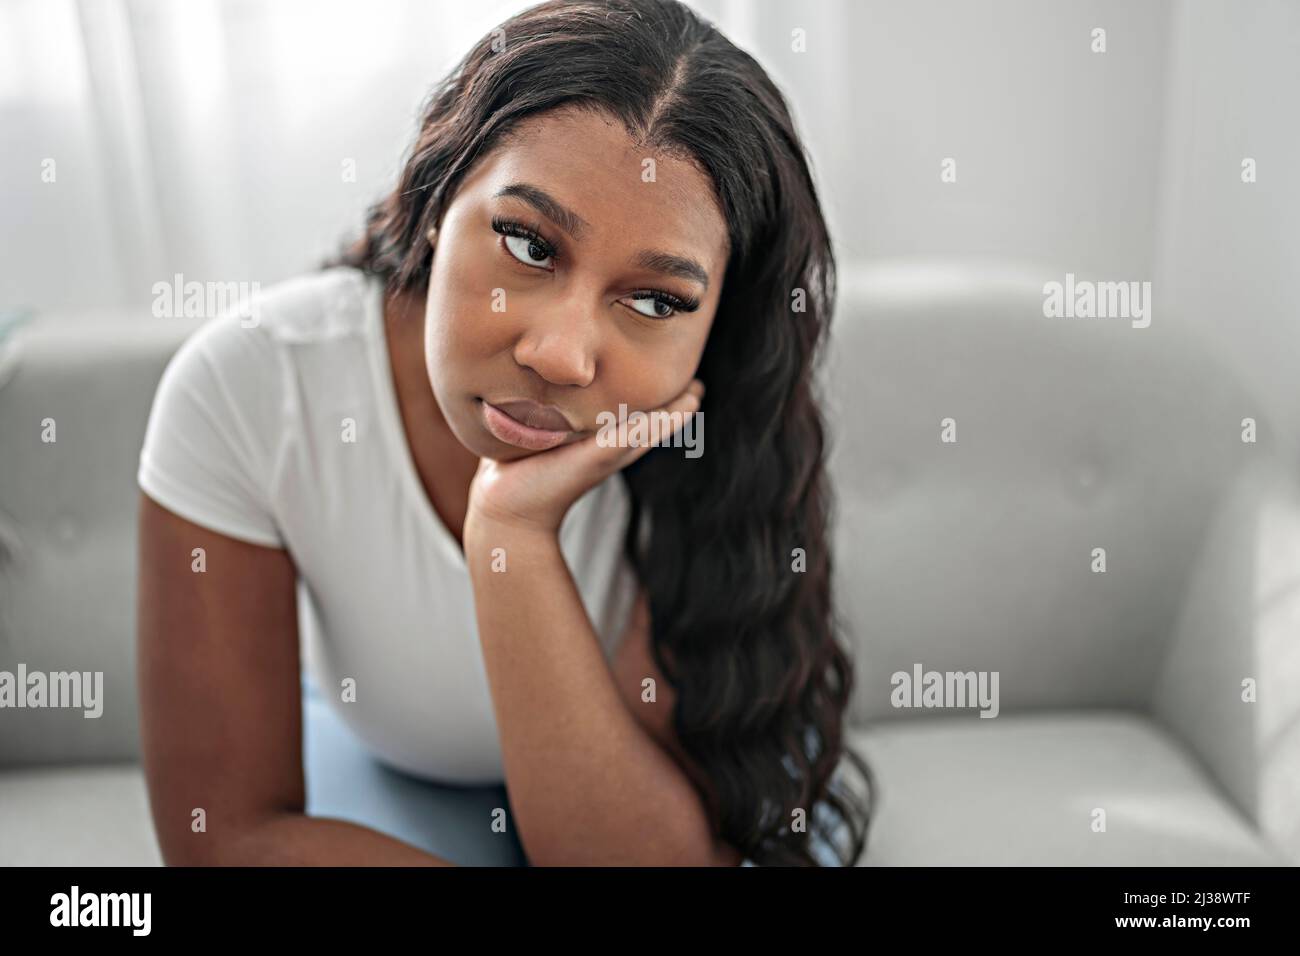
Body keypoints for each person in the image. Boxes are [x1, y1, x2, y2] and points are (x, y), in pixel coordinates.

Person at [136, 0, 873, 867]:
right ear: (440, 197)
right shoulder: (253, 384)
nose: (559, 356)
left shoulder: (716, 436)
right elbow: (224, 839)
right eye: (527, 244)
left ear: (716, 328)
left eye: (654, 301)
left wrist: (513, 537)